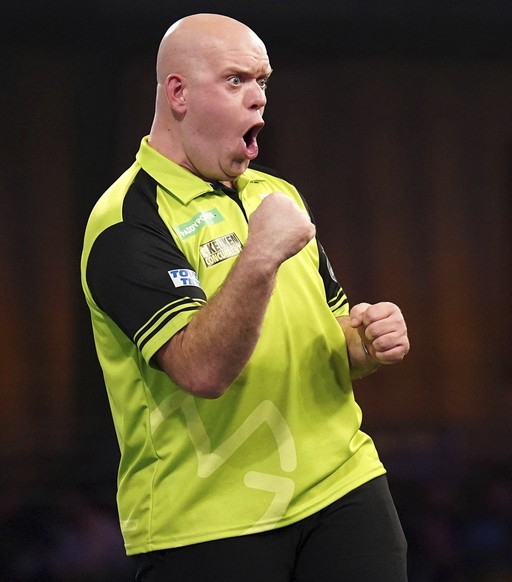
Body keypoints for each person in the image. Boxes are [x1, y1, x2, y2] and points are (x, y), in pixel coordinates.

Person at [80, 13, 410, 582]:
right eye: (236, 80)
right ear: (178, 93)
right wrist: (259, 254)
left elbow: (331, 335)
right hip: (210, 522)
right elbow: (201, 370)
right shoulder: (126, 221)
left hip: (343, 486)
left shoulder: (277, 194)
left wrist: (368, 341)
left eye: (262, 81)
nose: (258, 99)